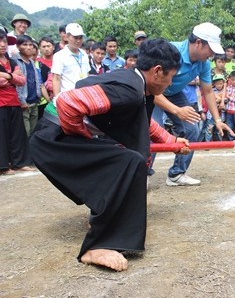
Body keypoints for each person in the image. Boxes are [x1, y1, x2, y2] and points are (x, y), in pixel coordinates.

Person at [29, 38, 181, 271]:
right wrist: (83, 139)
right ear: (157, 71)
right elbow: (69, 104)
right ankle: (96, 246)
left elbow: (141, 122)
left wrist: (171, 141)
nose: (170, 83)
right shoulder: (130, 89)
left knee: (125, 159)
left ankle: (103, 221)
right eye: (170, 76)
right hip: (52, 137)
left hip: (54, 134)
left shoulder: (134, 84)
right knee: (129, 162)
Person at [151, 22, 234, 187]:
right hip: (151, 94)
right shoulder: (170, 52)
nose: (211, 55)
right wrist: (177, 110)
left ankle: (177, 174)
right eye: (210, 49)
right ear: (198, 43)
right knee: (153, 131)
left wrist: (217, 121)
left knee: (192, 130)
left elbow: (208, 91)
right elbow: (151, 89)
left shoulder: (203, 63)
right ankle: (142, 175)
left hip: (174, 94)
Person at [0, 29, 35, 175]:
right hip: (1, 103)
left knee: (17, 134)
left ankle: (19, 163)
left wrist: (7, 76)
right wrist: (12, 77)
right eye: (0, 41)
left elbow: (21, 81)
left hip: (14, 102)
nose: (2, 44)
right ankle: (3, 166)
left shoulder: (12, 61)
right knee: (2, 135)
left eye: (5, 41)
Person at [12, 35, 47, 137]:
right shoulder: (14, 61)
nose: (28, 47)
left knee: (33, 131)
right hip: (24, 103)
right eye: (25, 44)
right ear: (18, 46)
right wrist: (22, 101)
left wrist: (39, 96)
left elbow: (36, 81)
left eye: (30, 45)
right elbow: (16, 84)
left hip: (34, 102)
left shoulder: (31, 61)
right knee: (25, 132)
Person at [52, 23, 90, 96]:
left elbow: (87, 74)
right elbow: (56, 79)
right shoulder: (59, 56)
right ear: (67, 37)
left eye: (80, 37)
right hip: (69, 97)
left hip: (85, 96)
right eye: (75, 37)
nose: (78, 41)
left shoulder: (84, 54)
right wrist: (57, 99)